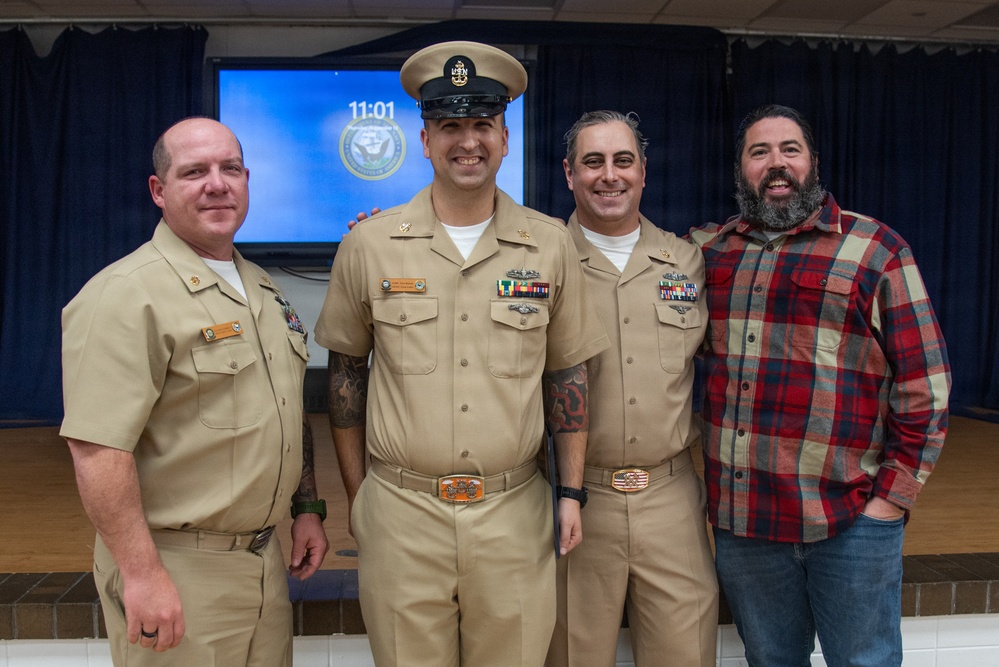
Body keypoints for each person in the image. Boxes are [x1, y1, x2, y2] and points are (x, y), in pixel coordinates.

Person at [314, 41, 608, 666]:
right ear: (425, 140)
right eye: (450, 126)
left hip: (513, 514)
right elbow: (345, 376)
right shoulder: (369, 245)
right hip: (401, 515)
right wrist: (361, 498)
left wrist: (571, 492)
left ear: (505, 138)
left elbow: (567, 374)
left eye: (482, 124)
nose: (467, 141)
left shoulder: (550, 246)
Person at [61, 117, 329, 666]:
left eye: (230, 168)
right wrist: (141, 573)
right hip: (177, 570)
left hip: (262, 563)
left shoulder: (262, 289)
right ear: (159, 190)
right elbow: (97, 449)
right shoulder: (126, 295)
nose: (217, 184)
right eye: (194, 172)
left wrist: (306, 508)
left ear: (247, 180)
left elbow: (285, 409)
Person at [690, 104, 951, 667]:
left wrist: (891, 500)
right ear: (740, 169)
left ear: (812, 162)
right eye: (759, 152)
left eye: (790, 150)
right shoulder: (708, 254)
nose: (776, 163)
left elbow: (925, 385)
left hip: (850, 522)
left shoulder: (876, 250)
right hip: (746, 525)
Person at [544, 111, 718, 667]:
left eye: (623, 161)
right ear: (569, 173)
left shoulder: (688, 261)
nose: (609, 175)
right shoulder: (540, 259)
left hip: (671, 501)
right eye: (592, 162)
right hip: (575, 501)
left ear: (644, 171)